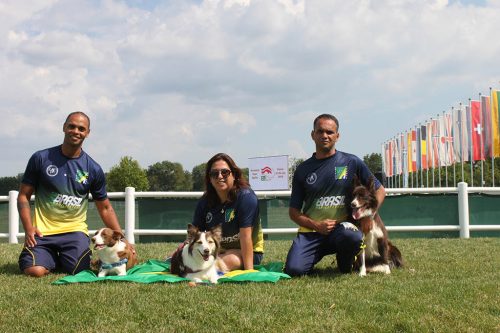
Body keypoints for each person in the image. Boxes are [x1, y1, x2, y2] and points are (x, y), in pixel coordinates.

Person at [18, 112, 124, 277]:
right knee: (35, 271)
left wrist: (122, 239)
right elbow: (23, 196)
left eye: (81, 129)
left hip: (74, 232)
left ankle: (58, 258)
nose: (76, 131)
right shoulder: (40, 158)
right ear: (64, 127)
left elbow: (105, 207)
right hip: (42, 232)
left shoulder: (93, 169)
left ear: (87, 133)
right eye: (72, 126)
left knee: (79, 271)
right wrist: (28, 228)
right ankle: (47, 257)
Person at [284, 114, 386, 276]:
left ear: (337, 136)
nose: (325, 135)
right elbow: (293, 212)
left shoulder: (352, 162)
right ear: (313, 135)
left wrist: (369, 216)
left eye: (330, 132)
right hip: (312, 231)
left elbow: (380, 191)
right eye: (320, 131)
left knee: (350, 237)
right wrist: (317, 225)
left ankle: (345, 259)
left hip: (343, 230)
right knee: (294, 270)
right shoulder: (302, 170)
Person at [191, 153, 264, 270]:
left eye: (225, 172)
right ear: (209, 179)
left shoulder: (246, 197)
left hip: (248, 252)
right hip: (215, 250)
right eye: (214, 174)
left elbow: (246, 238)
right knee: (175, 257)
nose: (220, 176)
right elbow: (194, 235)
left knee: (231, 260)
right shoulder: (204, 201)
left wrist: (249, 272)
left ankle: (197, 268)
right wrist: (182, 252)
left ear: (234, 175)